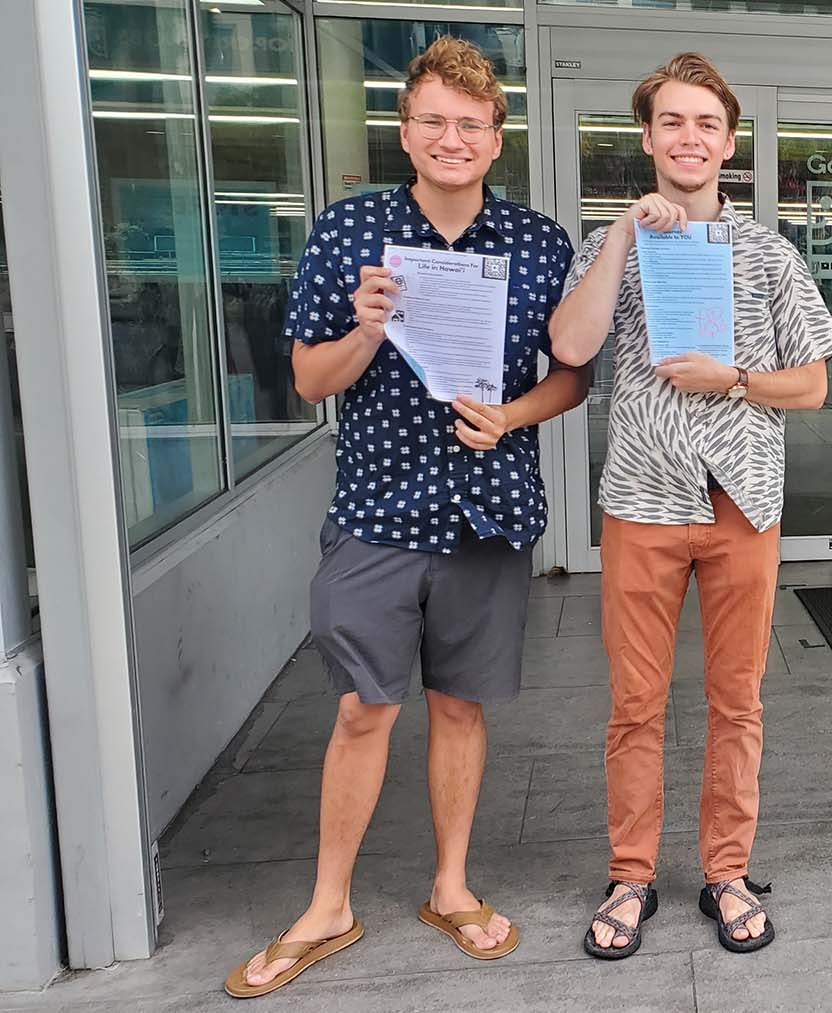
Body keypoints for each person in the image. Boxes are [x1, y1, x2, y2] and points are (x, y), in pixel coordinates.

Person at [225, 36, 587, 999]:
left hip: (487, 507)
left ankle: (451, 885)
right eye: (434, 121)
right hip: (379, 509)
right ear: (405, 131)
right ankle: (329, 902)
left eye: (471, 124)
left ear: (497, 139)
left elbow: (571, 376)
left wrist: (511, 414)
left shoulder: (539, 242)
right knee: (362, 707)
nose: (452, 138)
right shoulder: (349, 234)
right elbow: (309, 381)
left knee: (461, 705)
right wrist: (368, 327)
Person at [549, 52, 832, 958]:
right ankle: (630, 874)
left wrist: (736, 378)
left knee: (738, 698)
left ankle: (726, 870)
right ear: (647, 137)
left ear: (729, 142)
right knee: (635, 701)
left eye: (707, 124)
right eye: (672, 122)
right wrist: (618, 241)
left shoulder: (769, 253)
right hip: (641, 498)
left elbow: (816, 384)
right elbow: (570, 343)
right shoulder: (614, 243)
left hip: (743, 502)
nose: (690, 137)